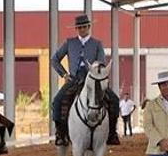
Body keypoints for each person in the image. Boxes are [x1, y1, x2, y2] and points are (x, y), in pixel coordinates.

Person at [50, 14, 120, 146]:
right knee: (57, 101)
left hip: (93, 79)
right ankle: (60, 133)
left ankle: (112, 133)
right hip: (74, 79)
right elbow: (54, 59)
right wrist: (64, 74)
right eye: (79, 27)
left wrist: (96, 74)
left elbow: (101, 63)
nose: (82, 29)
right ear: (76, 29)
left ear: (89, 27)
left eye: (84, 27)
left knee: (114, 100)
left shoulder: (97, 44)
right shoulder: (69, 43)